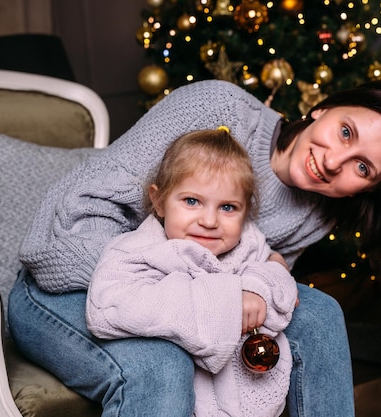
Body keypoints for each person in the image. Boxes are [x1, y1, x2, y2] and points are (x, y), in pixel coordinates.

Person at [9, 79, 381, 417]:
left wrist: (258, 284)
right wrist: (211, 299)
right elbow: (77, 216)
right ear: (323, 107)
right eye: (346, 132)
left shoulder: (320, 211)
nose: (332, 162)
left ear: (368, 189)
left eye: (362, 168)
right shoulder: (218, 107)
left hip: (178, 296)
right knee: (162, 363)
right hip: (66, 284)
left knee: (321, 313)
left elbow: (255, 283)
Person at [85, 128, 298, 417]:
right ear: (159, 201)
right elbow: (108, 309)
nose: (209, 221)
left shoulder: (248, 244)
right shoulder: (137, 250)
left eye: (227, 207)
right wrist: (230, 301)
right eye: (191, 201)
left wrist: (258, 286)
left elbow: (279, 281)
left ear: (246, 212)